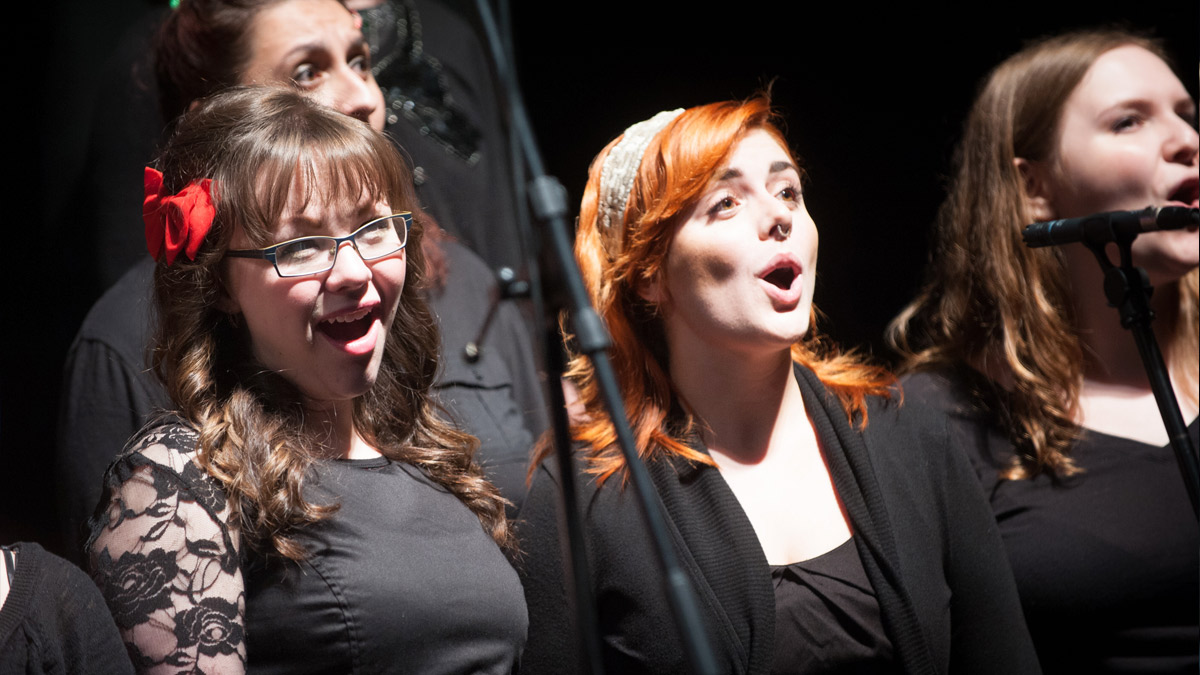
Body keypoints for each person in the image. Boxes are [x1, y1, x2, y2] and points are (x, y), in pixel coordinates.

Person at [517, 98, 1040, 674]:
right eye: (726, 203)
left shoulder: (909, 436)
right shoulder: (585, 497)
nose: (778, 216)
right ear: (648, 275)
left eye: (787, 191)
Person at [56, 0, 546, 558]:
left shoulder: (466, 282)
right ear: (214, 114)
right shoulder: (126, 341)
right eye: (307, 72)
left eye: (360, 62)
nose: (364, 98)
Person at [87, 86, 527, 673]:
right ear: (219, 285)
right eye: (300, 246)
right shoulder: (182, 479)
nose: (353, 271)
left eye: (372, 230)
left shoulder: (425, 455)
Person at [887, 29, 1199, 674]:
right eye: (1129, 121)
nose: (1186, 140)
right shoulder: (938, 419)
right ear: (1033, 187)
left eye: (1188, 116)